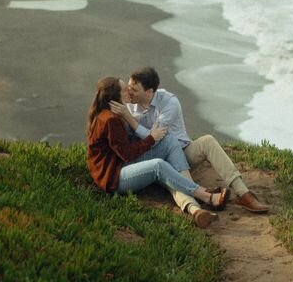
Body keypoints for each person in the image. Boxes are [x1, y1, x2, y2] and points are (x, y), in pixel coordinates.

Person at [111, 67, 270, 217]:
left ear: (149, 91)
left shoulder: (168, 102)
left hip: (183, 152)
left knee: (207, 141)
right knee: (167, 170)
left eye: (134, 89)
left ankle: (244, 194)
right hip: (152, 159)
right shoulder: (129, 107)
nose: (129, 92)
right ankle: (197, 208)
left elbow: (155, 138)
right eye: (129, 87)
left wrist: (130, 119)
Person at [87, 77, 229, 228]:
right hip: (114, 177)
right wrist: (151, 138)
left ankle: (191, 190)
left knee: (170, 141)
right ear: (115, 96)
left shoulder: (114, 114)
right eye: (124, 90)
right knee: (158, 165)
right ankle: (205, 196)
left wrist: (147, 135)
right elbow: (126, 154)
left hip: (122, 164)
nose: (129, 92)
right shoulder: (110, 120)